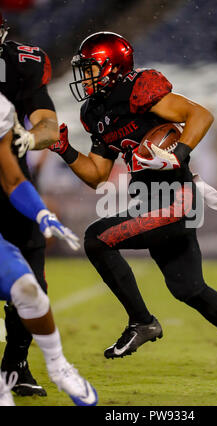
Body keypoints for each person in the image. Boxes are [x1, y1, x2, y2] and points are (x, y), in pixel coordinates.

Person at [48, 31, 217, 387]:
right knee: (189, 288)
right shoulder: (94, 111)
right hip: (151, 202)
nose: (85, 77)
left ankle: (142, 322)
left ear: (112, 66)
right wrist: (65, 149)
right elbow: (97, 175)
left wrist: (178, 154)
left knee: (96, 238)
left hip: (176, 200)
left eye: (91, 68)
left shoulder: (140, 88)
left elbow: (199, 115)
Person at [0, 92, 98, 406]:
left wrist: (41, 212)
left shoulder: (0, 108)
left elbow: (12, 178)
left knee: (29, 290)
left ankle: (58, 367)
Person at [0, 12, 60, 396]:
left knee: (31, 280)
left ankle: (15, 365)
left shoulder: (21, 64)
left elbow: (48, 126)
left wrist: (28, 140)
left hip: (9, 180)